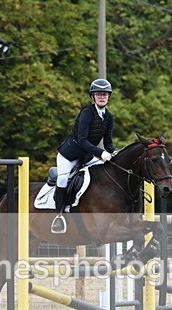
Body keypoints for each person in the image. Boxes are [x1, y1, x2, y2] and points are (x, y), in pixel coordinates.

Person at [51, 78, 116, 233]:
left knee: (102, 174)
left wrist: (114, 153)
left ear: (108, 97)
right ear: (92, 96)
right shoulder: (87, 113)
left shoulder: (108, 117)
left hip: (86, 157)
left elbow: (108, 142)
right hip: (69, 155)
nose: (102, 97)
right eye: (98, 94)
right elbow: (82, 141)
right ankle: (58, 215)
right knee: (62, 178)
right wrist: (101, 153)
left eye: (105, 94)